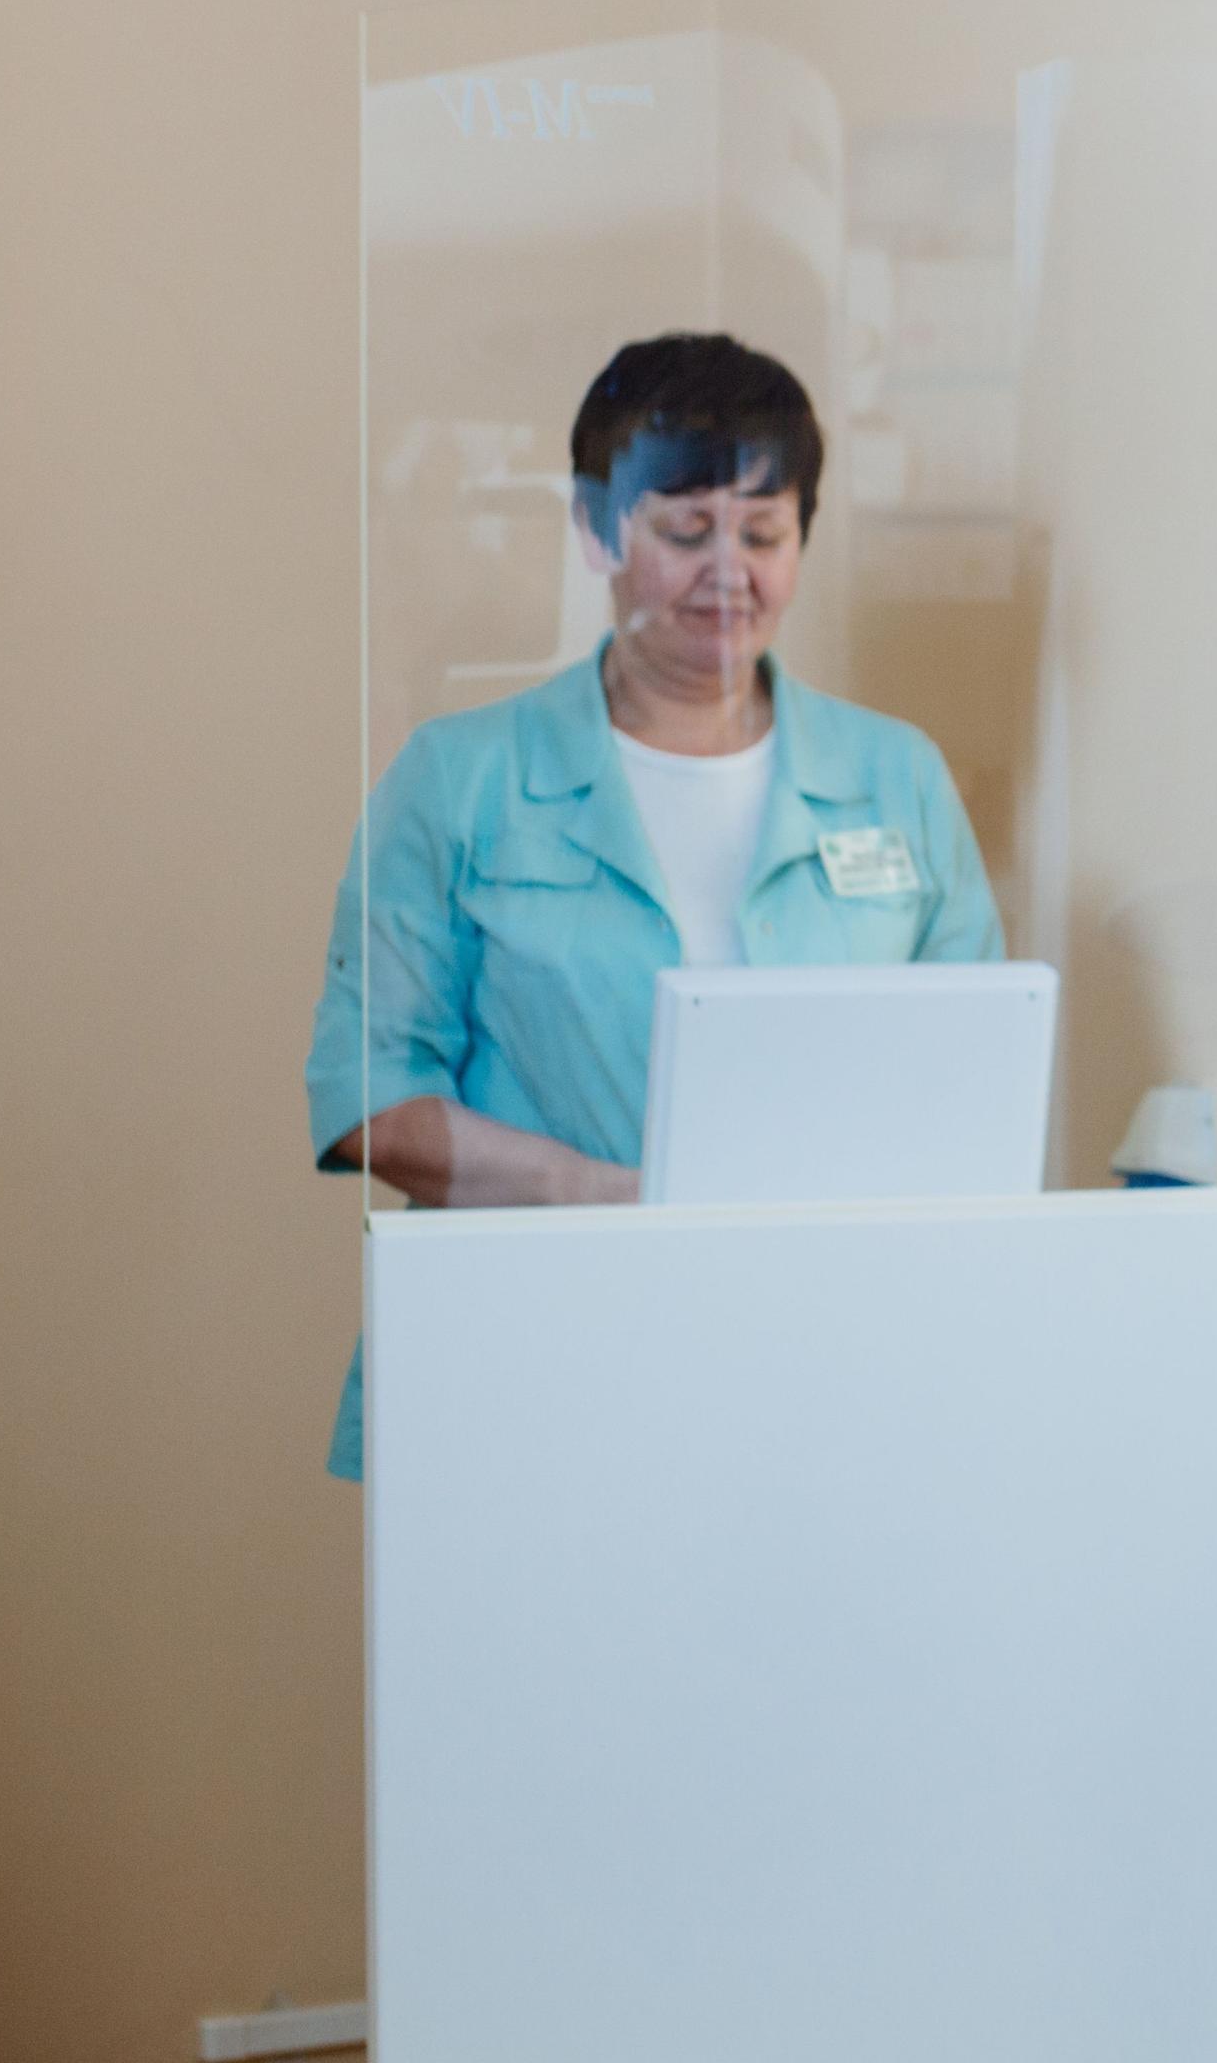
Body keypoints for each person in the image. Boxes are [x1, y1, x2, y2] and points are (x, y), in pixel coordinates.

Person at [304, 332, 1001, 1479]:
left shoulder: (898, 779)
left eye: (765, 533)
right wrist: (620, 1195)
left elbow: (969, 1081)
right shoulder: (462, 779)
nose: (729, 572)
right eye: (685, 531)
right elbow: (370, 1099)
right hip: (532, 1367)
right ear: (594, 528)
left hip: (835, 1373)